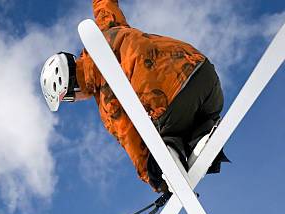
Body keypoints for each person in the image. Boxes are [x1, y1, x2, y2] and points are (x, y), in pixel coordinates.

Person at [40, 0, 228, 193]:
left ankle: (168, 163)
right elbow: (104, 4)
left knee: (158, 146)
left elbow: (131, 139)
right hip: (204, 74)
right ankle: (201, 139)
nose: (75, 101)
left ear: (71, 88)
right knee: (198, 119)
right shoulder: (107, 28)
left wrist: (155, 179)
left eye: (69, 99)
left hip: (171, 103)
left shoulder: (106, 99)